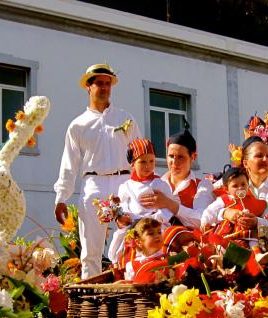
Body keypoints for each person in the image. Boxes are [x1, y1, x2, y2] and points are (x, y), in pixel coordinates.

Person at [54, 63, 142, 279]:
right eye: (99, 84)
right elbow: (69, 163)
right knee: (91, 251)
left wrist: (144, 184)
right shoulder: (78, 125)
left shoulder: (125, 118)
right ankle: (91, 303)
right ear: (88, 87)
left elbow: (139, 153)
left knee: (132, 242)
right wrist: (61, 197)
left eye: (107, 84)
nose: (104, 88)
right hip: (94, 184)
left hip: (124, 182)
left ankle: (131, 293)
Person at [108, 138, 175, 263]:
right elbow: (123, 206)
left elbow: (167, 208)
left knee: (159, 244)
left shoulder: (160, 183)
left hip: (156, 226)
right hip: (134, 226)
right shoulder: (126, 186)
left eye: (151, 161)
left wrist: (157, 218)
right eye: (142, 162)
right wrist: (124, 216)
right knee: (128, 249)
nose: (148, 166)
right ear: (132, 163)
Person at [139, 128, 214, 229]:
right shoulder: (155, 182)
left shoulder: (202, 186)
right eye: (171, 156)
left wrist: (169, 204)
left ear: (193, 157)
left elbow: (202, 221)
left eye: (180, 157)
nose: (174, 162)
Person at [201, 165, 268, 249]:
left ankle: (256, 253)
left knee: (253, 236)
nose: (240, 188)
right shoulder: (224, 199)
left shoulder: (252, 200)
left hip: (247, 229)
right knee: (222, 242)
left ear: (248, 185)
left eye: (243, 184)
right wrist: (205, 221)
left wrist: (267, 216)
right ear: (226, 189)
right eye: (235, 186)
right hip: (229, 231)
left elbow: (261, 210)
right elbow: (210, 210)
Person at [123, 218, 168, 283]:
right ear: (139, 242)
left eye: (159, 232)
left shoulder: (169, 257)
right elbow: (131, 287)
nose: (157, 236)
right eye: (151, 233)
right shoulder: (131, 266)